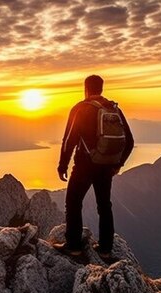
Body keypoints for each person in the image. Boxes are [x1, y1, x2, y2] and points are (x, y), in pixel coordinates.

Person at [53, 75, 134, 259]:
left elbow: (69, 140)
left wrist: (62, 165)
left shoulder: (80, 109)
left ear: (86, 89)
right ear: (102, 89)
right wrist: (118, 164)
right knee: (104, 205)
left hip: (84, 165)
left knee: (73, 202)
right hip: (107, 167)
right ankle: (105, 249)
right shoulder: (113, 109)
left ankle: (73, 246)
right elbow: (129, 141)